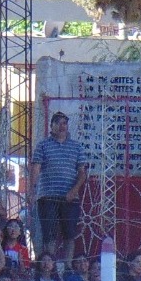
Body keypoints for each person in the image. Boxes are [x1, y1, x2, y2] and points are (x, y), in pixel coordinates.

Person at [30, 111, 88, 262]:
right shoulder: (43, 145)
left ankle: (68, 266)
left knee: (69, 234)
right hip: (48, 196)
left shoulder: (77, 147)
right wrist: (33, 190)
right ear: (52, 126)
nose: (62, 126)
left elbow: (82, 173)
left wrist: (73, 191)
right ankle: (50, 265)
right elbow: (36, 168)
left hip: (69, 198)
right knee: (49, 234)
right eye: (58, 123)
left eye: (64, 123)